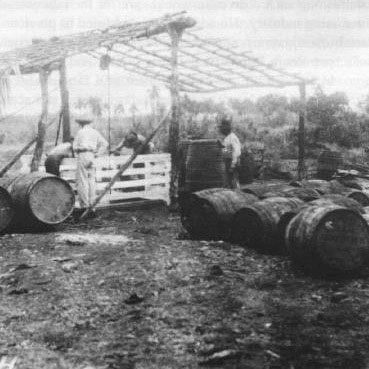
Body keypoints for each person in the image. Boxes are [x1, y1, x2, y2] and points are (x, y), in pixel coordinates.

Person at [73, 114, 108, 210]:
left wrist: (77, 149)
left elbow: (74, 147)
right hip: (92, 156)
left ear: (80, 124)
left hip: (83, 155)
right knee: (91, 181)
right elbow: (105, 144)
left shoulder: (80, 132)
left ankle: (84, 206)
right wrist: (97, 154)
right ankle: (92, 206)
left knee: (82, 181)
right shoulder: (94, 132)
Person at [218, 117, 242, 189]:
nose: (221, 130)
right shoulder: (227, 137)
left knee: (233, 179)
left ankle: (237, 194)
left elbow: (236, 152)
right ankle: (233, 193)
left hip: (232, 161)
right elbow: (227, 149)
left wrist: (232, 165)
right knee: (229, 180)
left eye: (223, 129)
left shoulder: (232, 137)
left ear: (226, 129)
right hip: (228, 161)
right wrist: (221, 146)